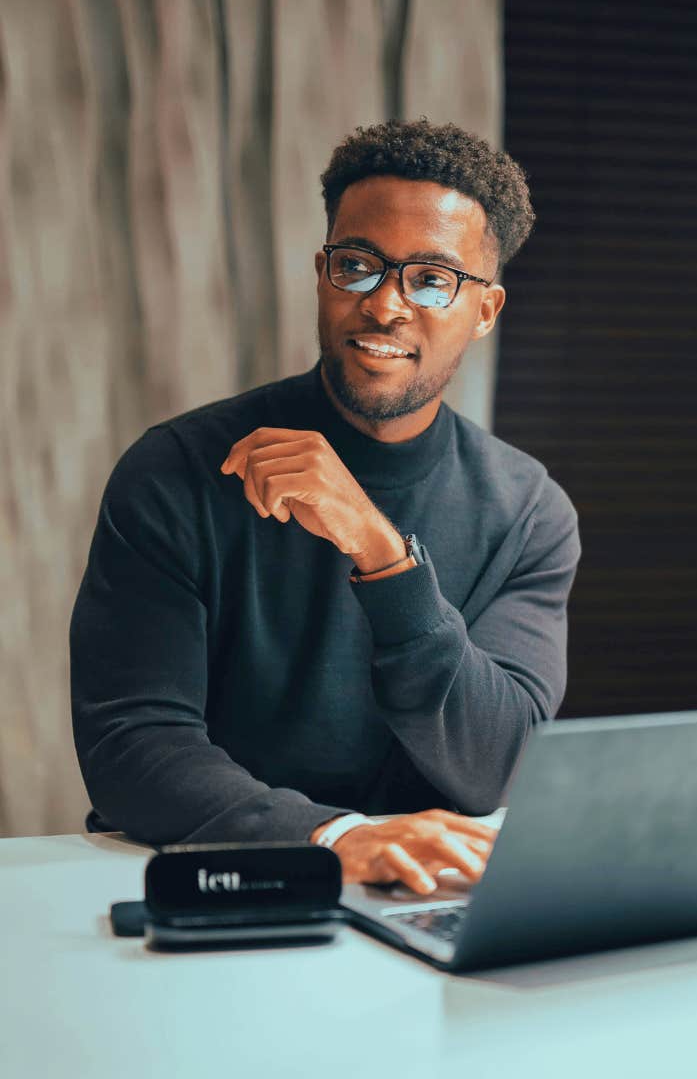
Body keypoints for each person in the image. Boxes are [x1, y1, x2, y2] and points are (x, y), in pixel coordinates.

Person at [70, 119, 580, 896]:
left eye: (432, 279)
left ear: (485, 311)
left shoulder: (529, 512)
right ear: (322, 272)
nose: (384, 306)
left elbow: (498, 765)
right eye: (358, 265)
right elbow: (131, 747)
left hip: (425, 895)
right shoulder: (174, 471)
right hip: (227, 885)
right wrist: (335, 839)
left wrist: (384, 554)